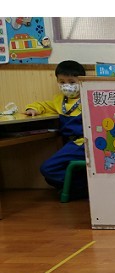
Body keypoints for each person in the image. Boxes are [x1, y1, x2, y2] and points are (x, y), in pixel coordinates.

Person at [23, 60, 87, 198]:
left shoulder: (86, 98)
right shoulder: (59, 100)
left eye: (71, 82)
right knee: (50, 177)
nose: (67, 86)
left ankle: (81, 188)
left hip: (83, 143)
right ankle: (78, 187)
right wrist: (32, 108)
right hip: (70, 143)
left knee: (48, 169)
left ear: (81, 81)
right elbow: (43, 105)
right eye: (62, 82)